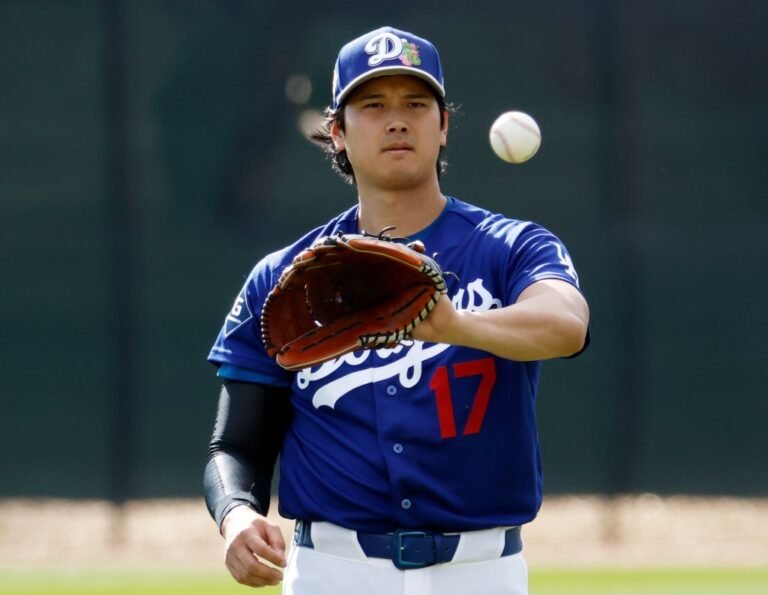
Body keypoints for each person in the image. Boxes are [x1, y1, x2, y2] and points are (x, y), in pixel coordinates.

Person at [203, 25, 590, 595]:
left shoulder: (510, 247)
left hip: (481, 573)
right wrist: (236, 515)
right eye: (373, 105)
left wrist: (455, 325)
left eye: (415, 103)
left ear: (443, 125)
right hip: (333, 573)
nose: (397, 120)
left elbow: (566, 325)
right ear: (336, 132)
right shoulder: (286, 278)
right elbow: (235, 446)